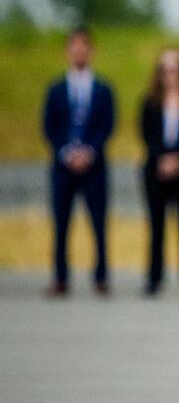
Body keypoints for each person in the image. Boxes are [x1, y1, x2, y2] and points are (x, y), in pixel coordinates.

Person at [41, 26, 115, 297]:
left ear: (91, 51)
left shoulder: (103, 89)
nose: (79, 52)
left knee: (98, 222)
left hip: (94, 167)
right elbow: (49, 126)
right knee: (61, 224)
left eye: (84, 47)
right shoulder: (56, 89)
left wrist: (89, 152)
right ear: (67, 52)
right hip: (63, 166)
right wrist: (66, 152)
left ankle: (101, 277)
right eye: (74, 48)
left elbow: (107, 126)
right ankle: (60, 277)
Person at [140, 47, 179, 296]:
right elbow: (146, 133)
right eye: (165, 70)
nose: (171, 75)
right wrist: (161, 158)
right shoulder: (150, 102)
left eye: (176, 69)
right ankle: (154, 278)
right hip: (155, 169)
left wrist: (178, 157)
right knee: (156, 225)